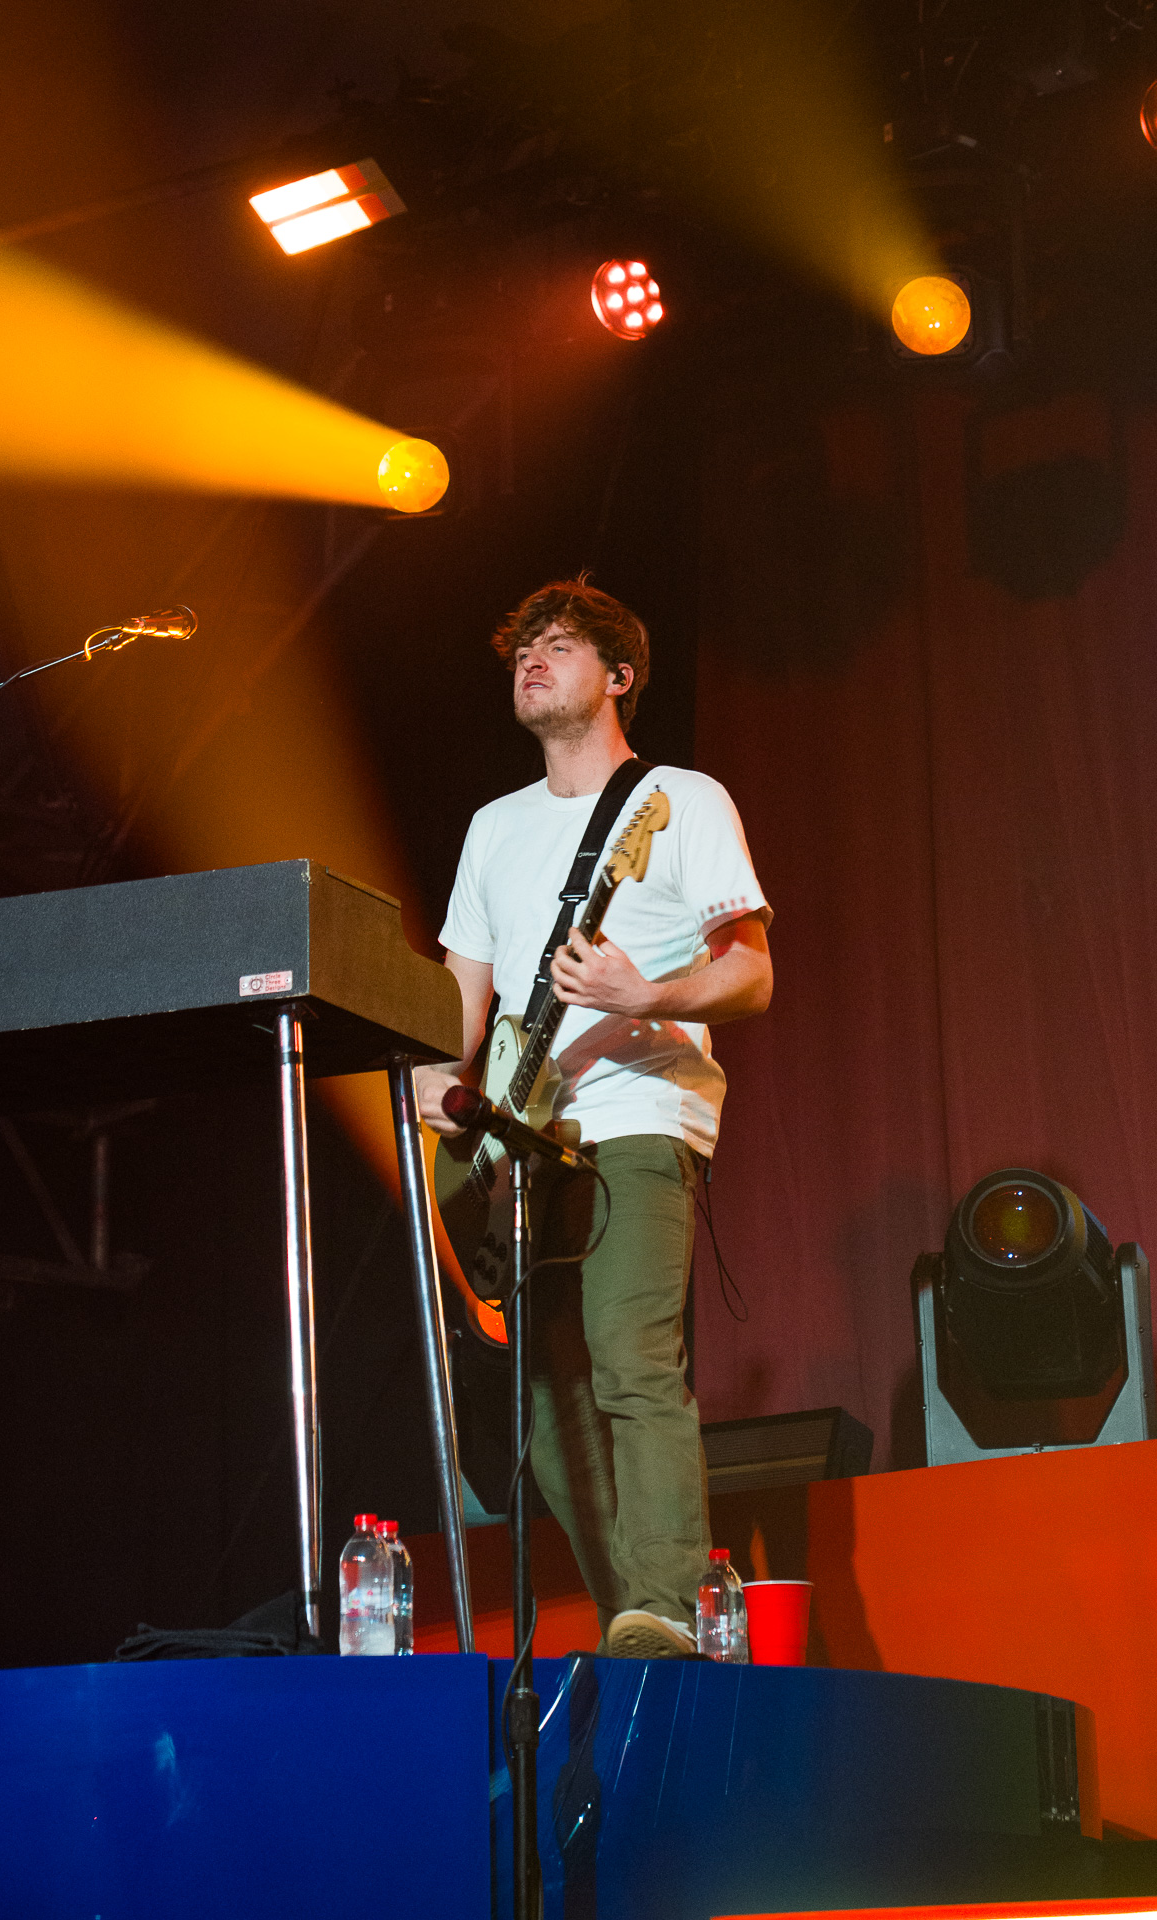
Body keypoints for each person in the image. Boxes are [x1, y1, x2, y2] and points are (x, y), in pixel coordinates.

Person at [416, 577, 772, 1658]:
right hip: (519, 1140)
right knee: (547, 1414)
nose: (532, 659)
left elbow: (751, 972)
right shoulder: (493, 827)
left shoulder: (680, 799)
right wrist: (434, 1079)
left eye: (559, 644)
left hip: (639, 1112)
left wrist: (645, 992)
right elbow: (465, 992)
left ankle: (666, 1602)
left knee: (629, 1357)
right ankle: (639, 1620)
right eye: (523, 646)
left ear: (619, 676)